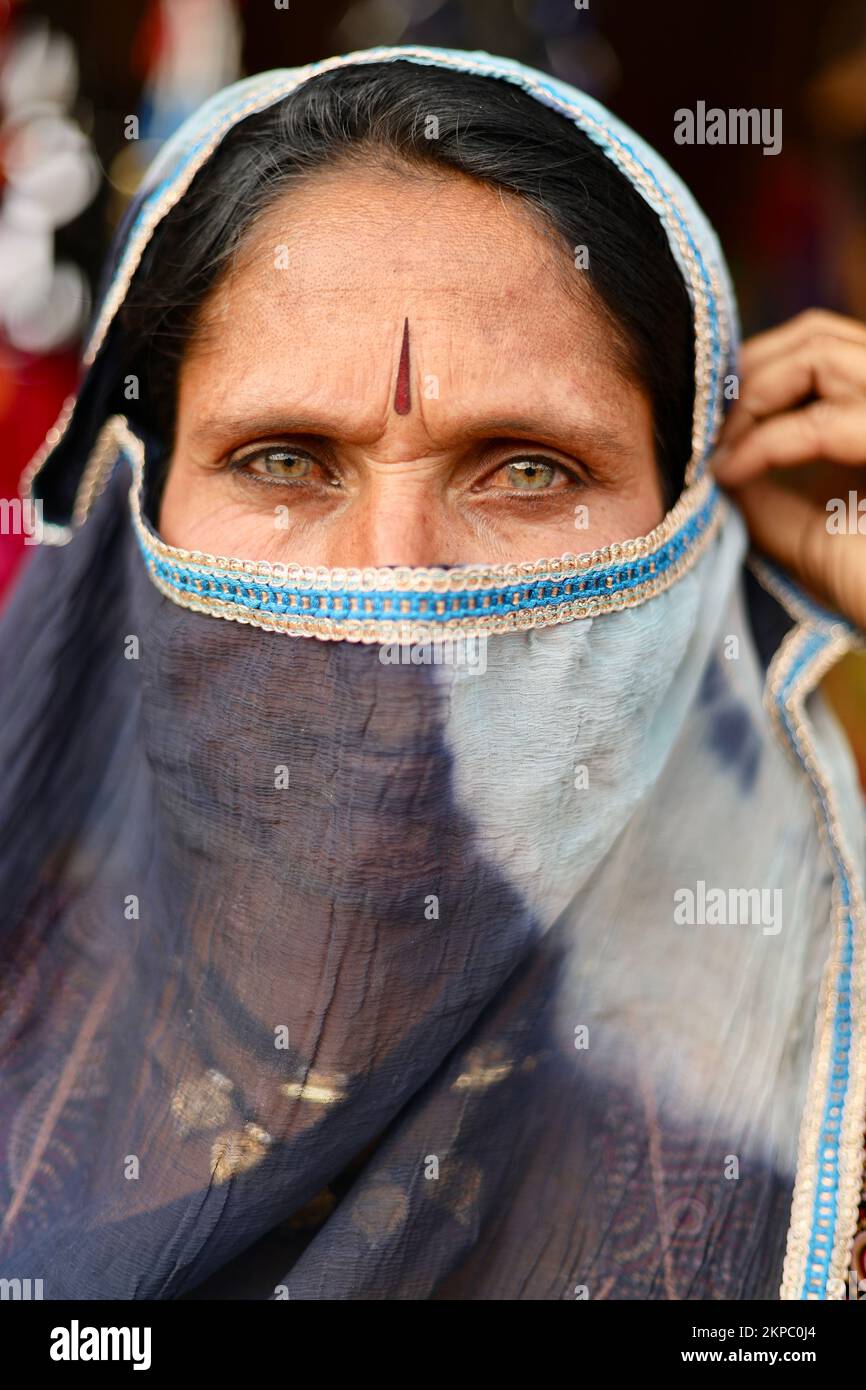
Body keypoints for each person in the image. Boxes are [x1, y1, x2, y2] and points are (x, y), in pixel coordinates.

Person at [1, 45, 864, 1301]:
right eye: (284, 460)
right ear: (143, 516)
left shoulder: (820, 1111)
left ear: (683, 547)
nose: (398, 592)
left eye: (525, 468)